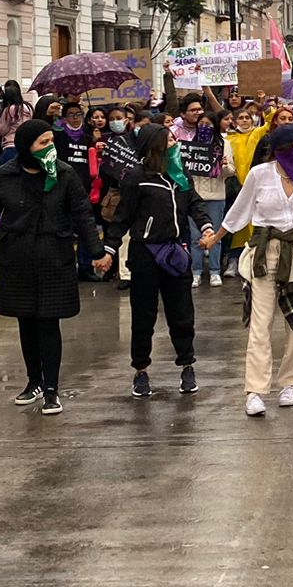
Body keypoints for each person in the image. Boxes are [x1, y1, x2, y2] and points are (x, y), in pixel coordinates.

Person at [0, 120, 111, 415]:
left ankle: (52, 389)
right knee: (26, 322)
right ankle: (33, 381)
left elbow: (82, 215)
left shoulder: (64, 175)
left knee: (48, 323)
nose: (49, 147)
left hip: (54, 260)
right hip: (16, 261)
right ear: (27, 146)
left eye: (51, 141)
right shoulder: (5, 175)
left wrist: (96, 252)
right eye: (42, 143)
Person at [202, 124, 293, 416]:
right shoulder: (259, 175)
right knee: (260, 325)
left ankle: (290, 383)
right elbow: (239, 210)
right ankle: (255, 390)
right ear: (283, 150)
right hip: (263, 254)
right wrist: (216, 238)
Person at [105, 124, 215, 398]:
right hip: (145, 255)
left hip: (176, 253)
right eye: (170, 138)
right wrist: (108, 249)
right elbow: (123, 217)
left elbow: (195, 203)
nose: (175, 141)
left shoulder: (179, 174)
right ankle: (141, 370)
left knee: (182, 313)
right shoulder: (135, 177)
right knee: (144, 315)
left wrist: (206, 226)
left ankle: (187, 366)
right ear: (155, 144)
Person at [173, 101, 234, 287]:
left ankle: (215, 271)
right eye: (201, 124)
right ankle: (196, 271)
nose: (204, 127)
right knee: (194, 236)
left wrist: (224, 166)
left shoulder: (224, 144)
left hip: (216, 196)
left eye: (208, 124)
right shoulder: (188, 145)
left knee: (214, 235)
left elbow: (232, 171)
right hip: (195, 197)